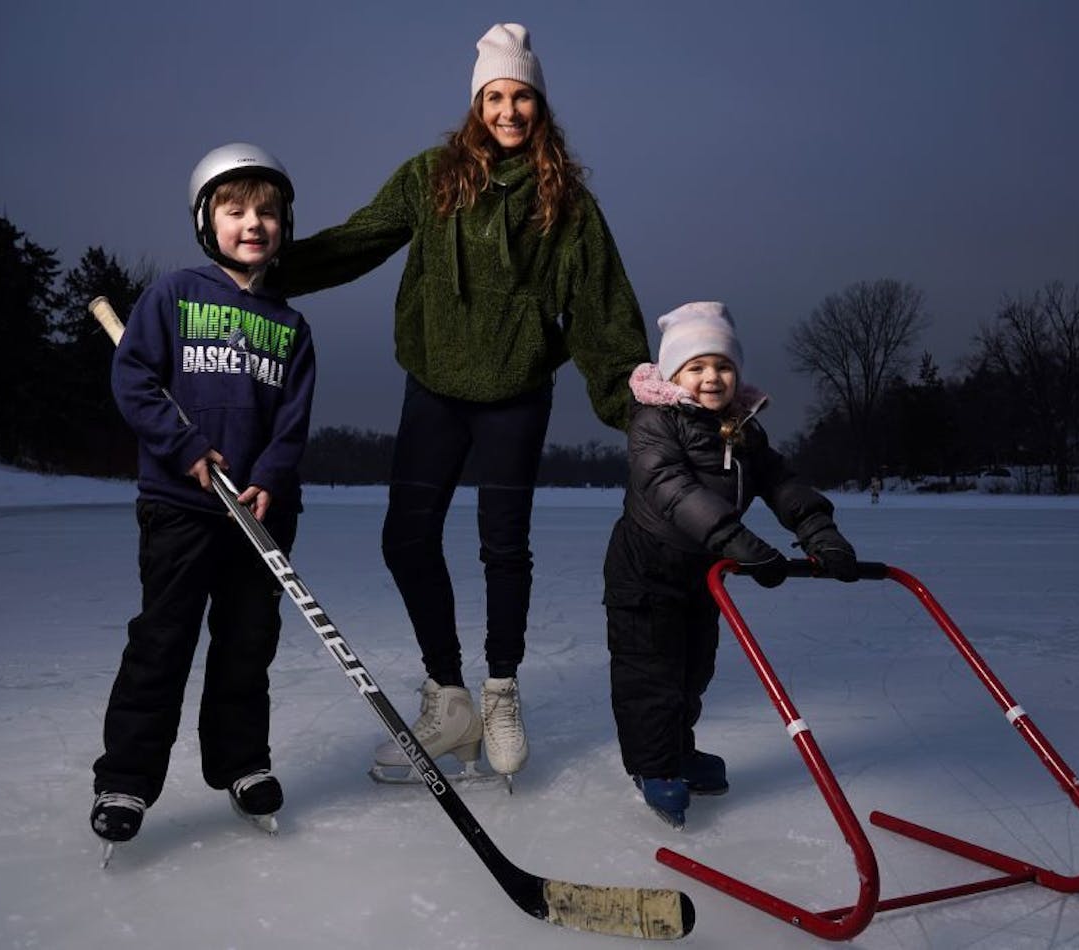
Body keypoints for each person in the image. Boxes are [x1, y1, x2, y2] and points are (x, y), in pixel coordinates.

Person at [271, 24, 648, 782]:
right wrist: (265, 269)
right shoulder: (431, 176)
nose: (510, 110)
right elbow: (358, 239)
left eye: (523, 97)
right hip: (435, 386)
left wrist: (641, 398)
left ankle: (501, 690)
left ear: (540, 106)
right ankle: (449, 698)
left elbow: (602, 310)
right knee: (406, 539)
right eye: (497, 96)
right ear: (478, 103)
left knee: (503, 547)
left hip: (515, 393)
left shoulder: (565, 202)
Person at [90, 143, 318, 847]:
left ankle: (242, 763)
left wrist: (270, 479)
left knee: (248, 644)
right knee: (163, 641)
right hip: (182, 508)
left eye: (267, 212)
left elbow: (293, 421)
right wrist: (186, 449)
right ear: (205, 219)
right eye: (236, 210)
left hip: (259, 513)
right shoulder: (173, 295)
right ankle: (126, 777)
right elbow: (133, 382)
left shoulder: (291, 327)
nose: (254, 223)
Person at [603, 302, 859, 829]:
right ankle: (654, 766)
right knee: (651, 674)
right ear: (674, 374)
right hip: (646, 573)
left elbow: (780, 483)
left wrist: (819, 531)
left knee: (694, 669)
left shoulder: (741, 428)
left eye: (721, 365)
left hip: (703, 573)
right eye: (696, 367)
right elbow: (671, 491)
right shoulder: (654, 423)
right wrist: (739, 542)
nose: (711, 378)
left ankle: (677, 749)